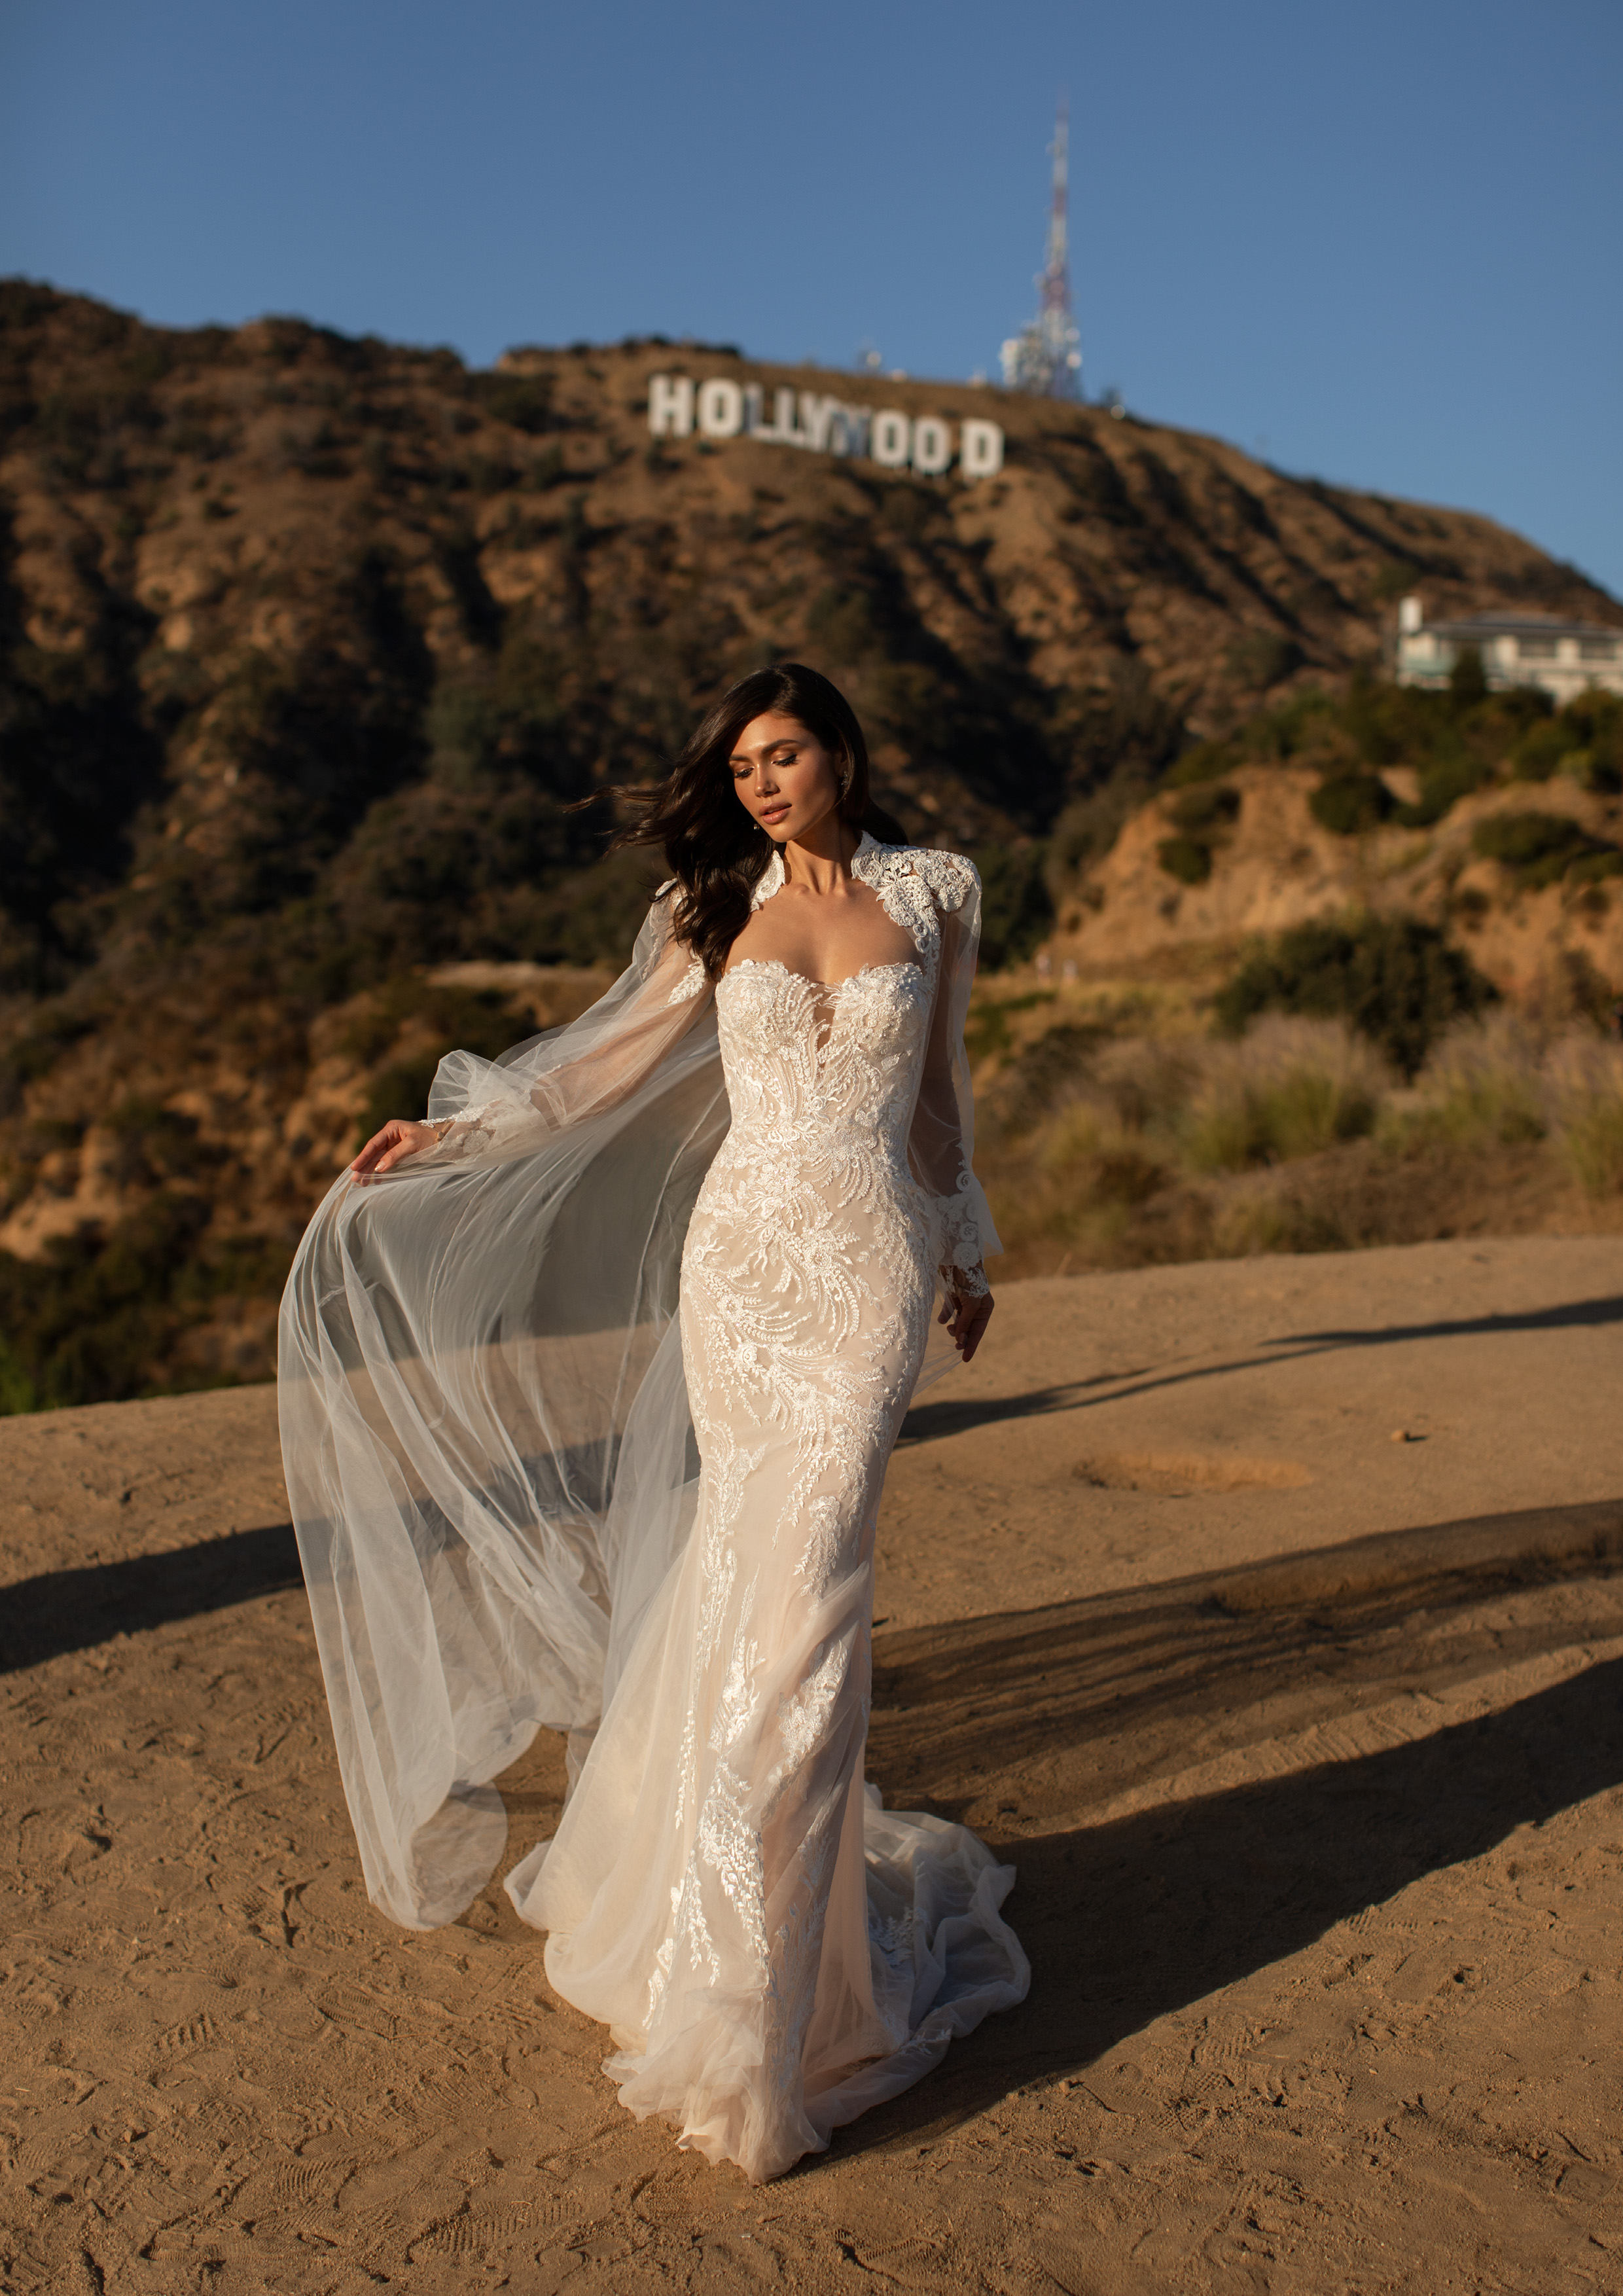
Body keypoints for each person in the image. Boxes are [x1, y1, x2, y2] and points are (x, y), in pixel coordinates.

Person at [278, 663, 1029, 2183]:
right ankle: (736, 1958)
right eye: (741, 763)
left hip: (868, 1267)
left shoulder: (935, 891)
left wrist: (961, 1247)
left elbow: (938, 1095)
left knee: (812, 1591)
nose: (760, 781)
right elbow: (600, 1062)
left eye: (786, 753)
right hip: (743, 1271)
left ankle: (769, 2001)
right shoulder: (716, 912)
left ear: (842, 754)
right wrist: (452, 1131)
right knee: (753, 1585)